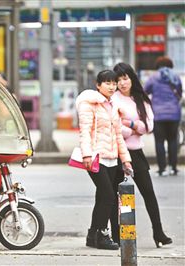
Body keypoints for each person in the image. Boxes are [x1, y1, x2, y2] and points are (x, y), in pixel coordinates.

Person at [113, 62, 172, 248]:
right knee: (117, 197)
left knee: (149, 193)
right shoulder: (112, 99)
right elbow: (114, 127)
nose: (122, 83)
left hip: (136, 153)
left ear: (131, 78)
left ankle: (159, 232)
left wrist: (130, 124)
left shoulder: (142, 99)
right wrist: (133, 128)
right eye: (118, 80)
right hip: (117, 152)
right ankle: (117, 235)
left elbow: (149, 127)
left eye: (125, 78)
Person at [75, 70, 132, 250]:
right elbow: (84, 131)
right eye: (107, 83)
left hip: (112, 159)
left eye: (113, 83)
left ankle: (92, 236)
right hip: (95, 157)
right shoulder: (88, 104)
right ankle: (101, 234)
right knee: (107, 195)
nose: (112, 86)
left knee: (103, 196)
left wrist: (126, 160)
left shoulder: (113, 105)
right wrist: (86, 154)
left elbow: (118, 135)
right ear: (98, 85)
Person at [144, 56, 182, 176]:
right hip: (174, 114)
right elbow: (180, 92)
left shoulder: (153, 77)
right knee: (173, 140)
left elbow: (145, 91)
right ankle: (173, 168)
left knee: (159, 141)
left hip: (158, 114)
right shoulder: (175, 76)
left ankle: (162, 169)